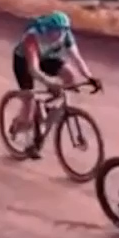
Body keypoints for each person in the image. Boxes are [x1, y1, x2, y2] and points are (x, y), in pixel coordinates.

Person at [10, 10, 99, 155]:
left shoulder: (66, 34)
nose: (58, 35)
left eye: (62, 31)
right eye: (55, 32)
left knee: (70, 76)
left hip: (47, 58)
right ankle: (20, 127)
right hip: (24, 61)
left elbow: (77, 58)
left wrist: (90, 77)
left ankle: (50, 109)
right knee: (29, 104)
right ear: (46, 30)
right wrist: (50, 83)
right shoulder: (32, 37)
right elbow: (33, 69)